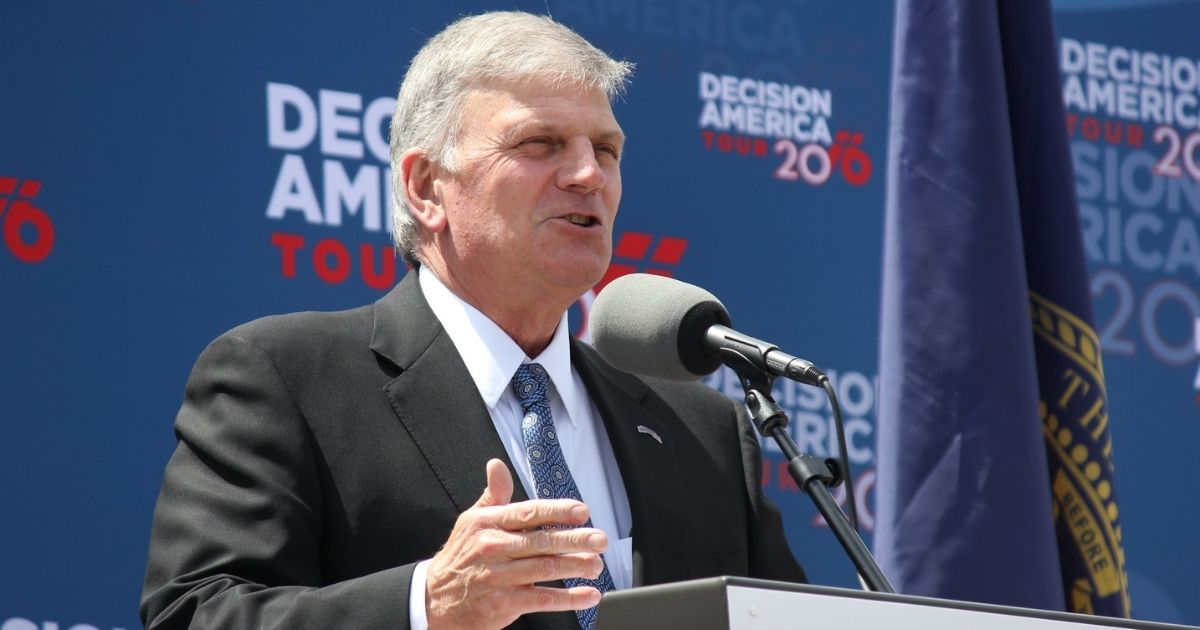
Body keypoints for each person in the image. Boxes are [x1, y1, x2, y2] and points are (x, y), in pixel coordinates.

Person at [140, 11, 805, 630]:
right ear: (428, 187)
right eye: (540, 143)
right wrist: (426, 603)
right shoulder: (287, 379)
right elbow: (195, 614)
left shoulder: (702, 428)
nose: (587, 174)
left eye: (606, 149)